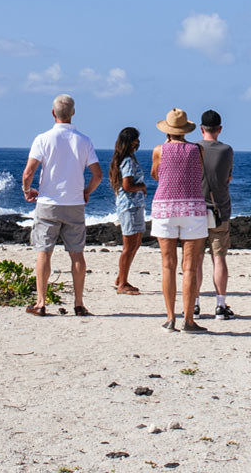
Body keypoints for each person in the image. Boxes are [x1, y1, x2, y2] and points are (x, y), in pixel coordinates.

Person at [21, 94, 103, 317]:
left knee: (44, 252)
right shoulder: (84, 140)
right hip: (74, 203)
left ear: (53, 113)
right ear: (73, 113)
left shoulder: (43, 139)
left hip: (48, 203)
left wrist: (27, 191)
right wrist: (86, 192)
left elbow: (28, 173)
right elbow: (97, 175)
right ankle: (79, 303)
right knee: (77, 254)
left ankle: (40, 302)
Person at [150, 108, 208, 332]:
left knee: (168, 265)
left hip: (165, 207)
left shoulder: (159, 150)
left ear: (167, 130)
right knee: (190, 267)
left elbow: (156, 174)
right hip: (193, 207)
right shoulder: (197, 150)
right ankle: (189, 320)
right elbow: (198, 173)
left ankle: (170, 317)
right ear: (185, 130)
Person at [194, 109, 235, 320]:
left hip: (196, 210)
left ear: (201, 129)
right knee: (219, 258)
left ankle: (194, 304)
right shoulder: (226, 150)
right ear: (219, 129)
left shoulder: (193, 149)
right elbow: (228, 177)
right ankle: (220, 304)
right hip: (220, 209)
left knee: (196, 259)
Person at [108, 126, 147, 295]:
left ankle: (121, 278)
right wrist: (142, 187)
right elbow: (127, 185)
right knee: (129, 246)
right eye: (135, 139)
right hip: (130, 206)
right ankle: (122, 283)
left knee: (135, 243)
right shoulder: (127, 161)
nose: (137, 142)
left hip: (135, 205)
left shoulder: (129, 158)